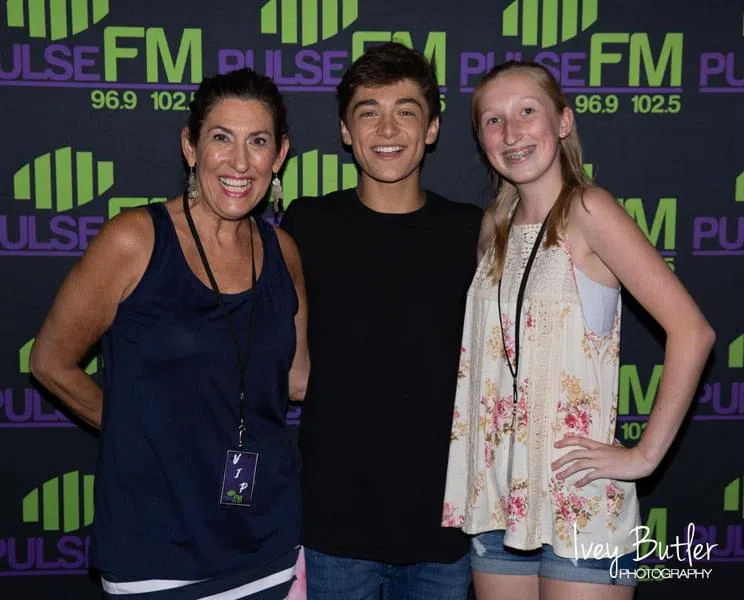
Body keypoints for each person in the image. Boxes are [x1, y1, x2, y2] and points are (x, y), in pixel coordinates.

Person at [29, 68, 309, 600]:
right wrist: (143, 432)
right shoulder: (134, 240)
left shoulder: (283, 253)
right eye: (221, 138)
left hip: (270, 543)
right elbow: (49, 362)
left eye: (258, 142)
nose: (240, 162)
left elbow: (297, 379)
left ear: (280, 155)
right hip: (156, 549)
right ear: (190, 146)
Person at [441, 61, 715, 599]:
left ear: (563, 122)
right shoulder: (493, 227)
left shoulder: (590, 210)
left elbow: (693, 330)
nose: (511, 132)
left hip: (578, 501)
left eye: (527, 111)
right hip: (498, 504)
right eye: (493, 120)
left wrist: (644, 457)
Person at [279, 42, 482, 599]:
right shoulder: (307, 224)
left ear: (432, 128)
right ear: (346, 131)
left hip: (445, 529)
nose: (387, 129)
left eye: (406, 111)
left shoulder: (473, 231)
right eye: (368, 112)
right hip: (335, 528)